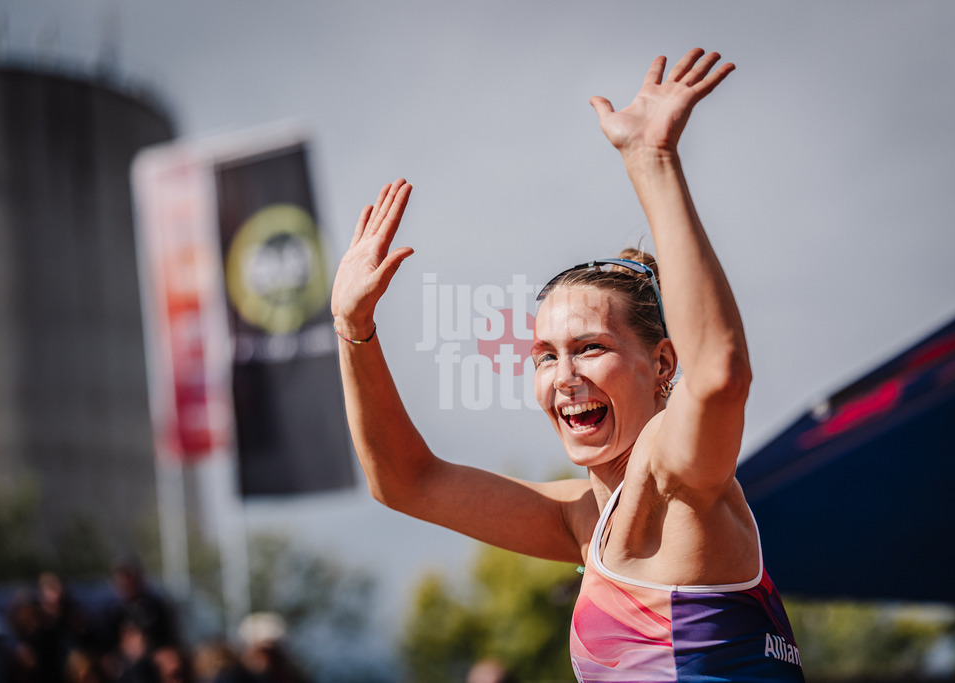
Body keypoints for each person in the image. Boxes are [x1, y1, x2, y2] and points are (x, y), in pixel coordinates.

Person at [330, 49, 805, 681]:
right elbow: (405, 482)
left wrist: (652, 162)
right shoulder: (588, 517)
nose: (564, 377)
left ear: (662, 362)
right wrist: (353, 328)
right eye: (544, 356)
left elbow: (719, 374)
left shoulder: (675, 481)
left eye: (589, 348)